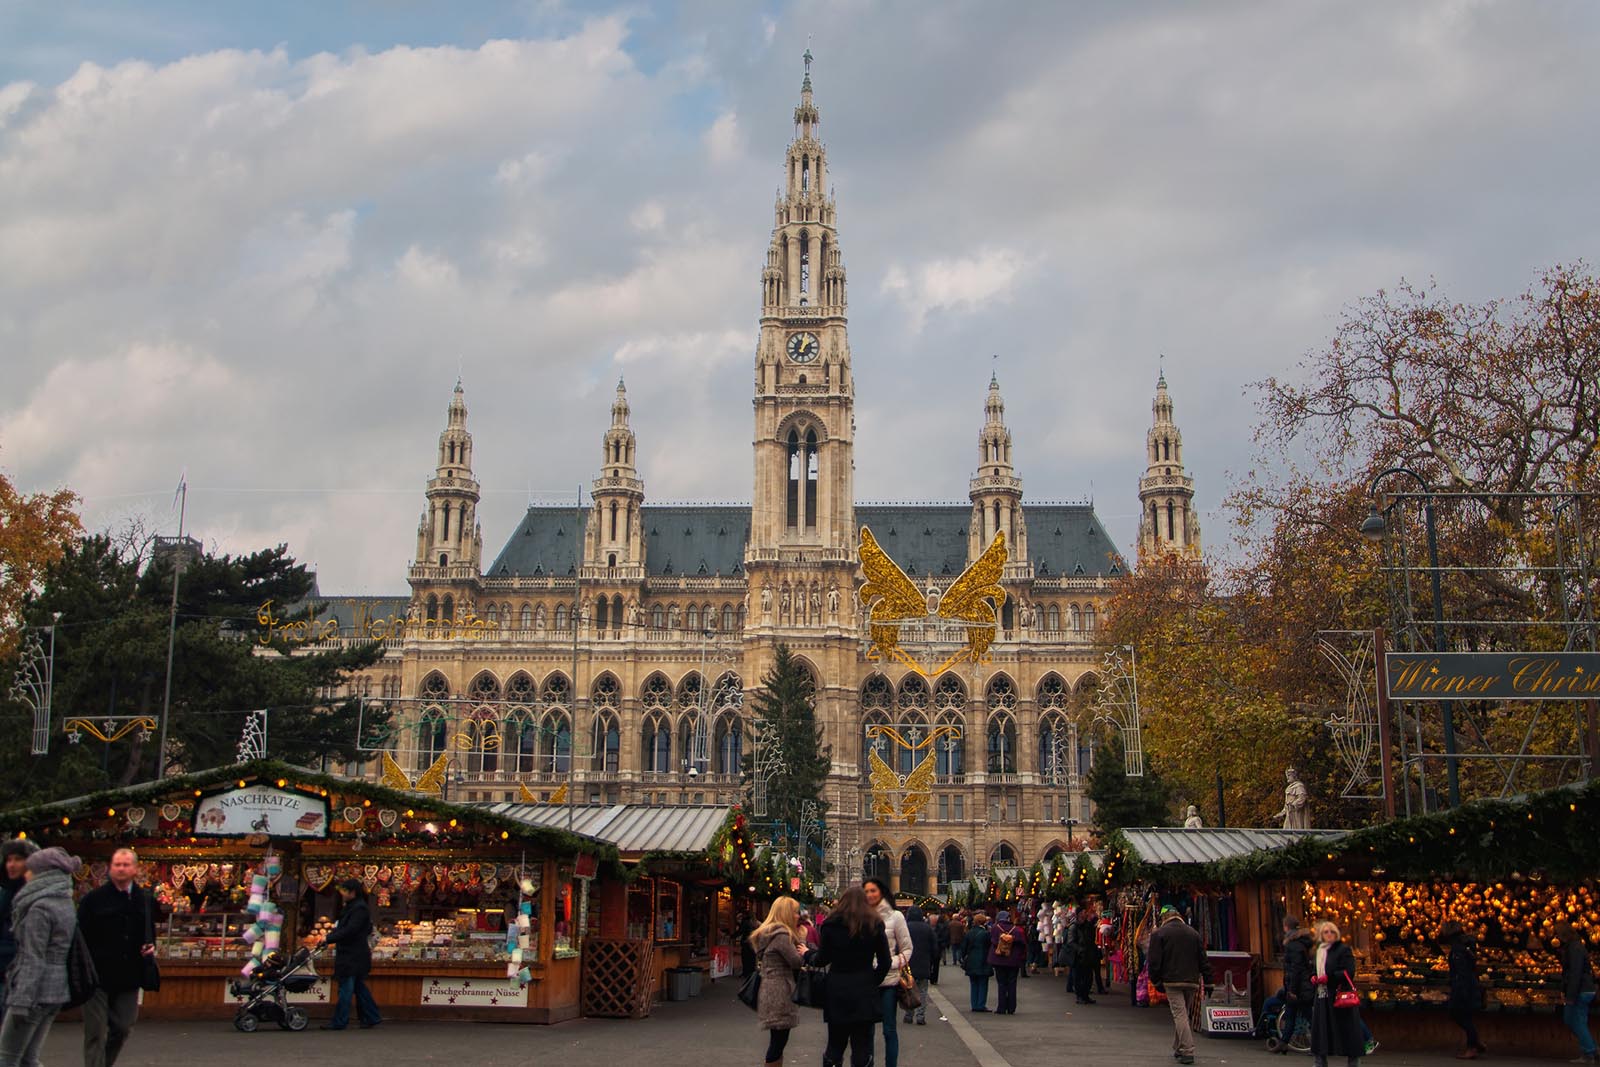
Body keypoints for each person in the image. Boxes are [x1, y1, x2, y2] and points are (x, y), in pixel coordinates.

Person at [78, 846, 157, 1067]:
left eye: (126, 865)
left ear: (135, 869)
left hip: (129, 974)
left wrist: (150, 948)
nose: (121, 869)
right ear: (110, 868)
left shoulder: (144, 898)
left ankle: (105, 1063)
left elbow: (149, 931)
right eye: (117, 865)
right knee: (96, 1032)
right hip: (96, 975)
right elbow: (80, 935)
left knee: (123, 1027)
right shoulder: (94, 899)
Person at [0, 847, 79, 1067]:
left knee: (7, 1058)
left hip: (34, 992)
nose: (25, 874)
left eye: (30, 869)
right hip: (55, 989)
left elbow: (33, 958)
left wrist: (20, 1002)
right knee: (28, 1058)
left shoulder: (39, 908)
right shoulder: (64, 902)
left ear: (42, 873)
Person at [804, 886, 891, 1067]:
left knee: (835, 1045)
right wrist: (872, 981)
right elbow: (885, 962)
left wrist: (806, 954)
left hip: (837, 990)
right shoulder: (874, 924)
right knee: (862, 1047)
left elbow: (821, 959)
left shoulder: (830, 925)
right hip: (864, 991)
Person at [1147, 905, 1210, 1066]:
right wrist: (1209, 981)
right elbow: (1203, 959)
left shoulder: (1159, 934)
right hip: (1191, 979)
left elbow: (1154, 961)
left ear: (1164, 918)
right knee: (1183, 1013)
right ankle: (1179, 1047)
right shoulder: (1193, 933)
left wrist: (1156, 980)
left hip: (1171, 980)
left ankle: (1187, 1050)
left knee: (1179, 1014)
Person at [751, 897, 806, 1067]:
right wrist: (803, 947)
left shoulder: (768, 933)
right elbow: (796, 962)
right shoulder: (781, 935)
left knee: (777, 1040)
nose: (798, 916)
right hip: (780, 991)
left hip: (770, 988)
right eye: (796, 912)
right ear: (787, 913)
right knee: (778, 1042)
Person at [862, 879, 912, 1067]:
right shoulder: (860, 916)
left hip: (889, 980)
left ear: (881, 892)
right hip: (866, 981)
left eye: (873, 890)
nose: (869, 895)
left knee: (889, 1029)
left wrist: (892, 962)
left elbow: (907, 948)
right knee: (866, 1030)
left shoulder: (896, 916)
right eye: (866, 891)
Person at [321, 878, 381, 1030]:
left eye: (345, 891)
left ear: (352, 892)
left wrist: (329, 938)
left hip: (352, 955)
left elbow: (350, 930)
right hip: (354, 954)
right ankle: (371, 1016)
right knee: (358, 987)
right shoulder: (355, 907)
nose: (342, 894)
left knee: (346, 989)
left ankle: (340, 1020)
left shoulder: (358, 909)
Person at [1308, 920, 1362, 1067]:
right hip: (1322, 996)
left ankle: (1353, 1061)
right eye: (1326, 932)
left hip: (1339, 997)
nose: (1329, 934)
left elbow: (1348, 971)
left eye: (1332, 931)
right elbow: (1316, 969)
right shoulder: (1320, 951)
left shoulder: (1343, 950)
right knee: (1321, 1030)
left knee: (1347, 1030)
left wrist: (1330, 977)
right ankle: (1320, 1061)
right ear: (1321, 935)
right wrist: (1313, 976)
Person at [0, 839, 40, 1013]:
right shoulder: (6, 892)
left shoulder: (34, 893)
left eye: (17, 859)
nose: (12, 864)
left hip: (21, 969)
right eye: (9, 860)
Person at [1438, 921, 1485, 1060]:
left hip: (1463, 986)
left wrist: (1458, 988)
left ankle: (1473, 1046)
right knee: (1465, 1015)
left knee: (1458, 1013)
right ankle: (1475, 1042)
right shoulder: (1466, 945)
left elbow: (1461, 971)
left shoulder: (1458, 950)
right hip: (1469, 985)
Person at [1555, 921, 1597, 1064]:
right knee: (1577, 1020)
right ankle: (1590, 1049)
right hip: (1583, 989)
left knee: (1574, 1020)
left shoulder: (1575, 948)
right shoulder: (1574, 947)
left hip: (1581, 990)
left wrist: (1570, 995)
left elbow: (1575, 973)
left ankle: (1590, 1051)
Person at [1275, 916, 1314, 1054]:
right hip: (1300, 985)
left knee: (1308, 1016)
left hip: (1299, 987)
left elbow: (1296, 968)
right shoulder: (1302, 943)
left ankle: (1317, 1045)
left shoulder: (1293, 945)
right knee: (1292, 1014)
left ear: (1286, 926)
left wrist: (1292, 989)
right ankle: (1284, 1042)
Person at [902, 906, 938, 1025]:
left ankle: (908, 1014)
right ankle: (920, 1016)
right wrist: (932, 962)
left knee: (909, 990)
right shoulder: (927, 929)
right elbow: (934, 948)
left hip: (908, 964)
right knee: (922, 992)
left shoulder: (905, 927)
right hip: (924, 964)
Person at [986, 908, 1027, 1015]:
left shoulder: (995, 928)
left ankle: (1001, 1007)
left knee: (1001, 983)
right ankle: (1011, 1007)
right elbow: (1023, 944)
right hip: (1013, 961)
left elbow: (992, 941)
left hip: (999, 960)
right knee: (1012, 983)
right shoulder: (1016, 929)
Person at [961, 911, 993, 1011]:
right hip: (983, 961)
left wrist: (964, 957)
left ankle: (974, 1005)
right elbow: (989, 947)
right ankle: (981, 1005)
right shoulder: (986, 934)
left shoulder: (969, 933)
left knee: (973, 983)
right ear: (983, 922)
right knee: (983, 984)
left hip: (971, 961)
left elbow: (964, 948)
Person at [1070, 902, 1101, 1004]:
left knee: (1088, 976)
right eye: (1083, 912)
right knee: (1079, 977)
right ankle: (1080, 996)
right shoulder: (1074, 926)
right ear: (1079, 914)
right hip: (1079, 956)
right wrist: (1079, 950)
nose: (1085, 913)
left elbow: (1092, 938)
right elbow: (1071, 941)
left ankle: (1086, 995)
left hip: (1089, 955)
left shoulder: (1088, 925)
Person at [739, 911, 759, 977]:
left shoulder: (745, 922)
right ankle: (752, 971)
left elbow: (741, 931)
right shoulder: (755, 923)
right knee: (751, 957)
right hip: (753, 941)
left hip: (746, 941)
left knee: (745, 958)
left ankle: (746, 972)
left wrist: (732, 936)